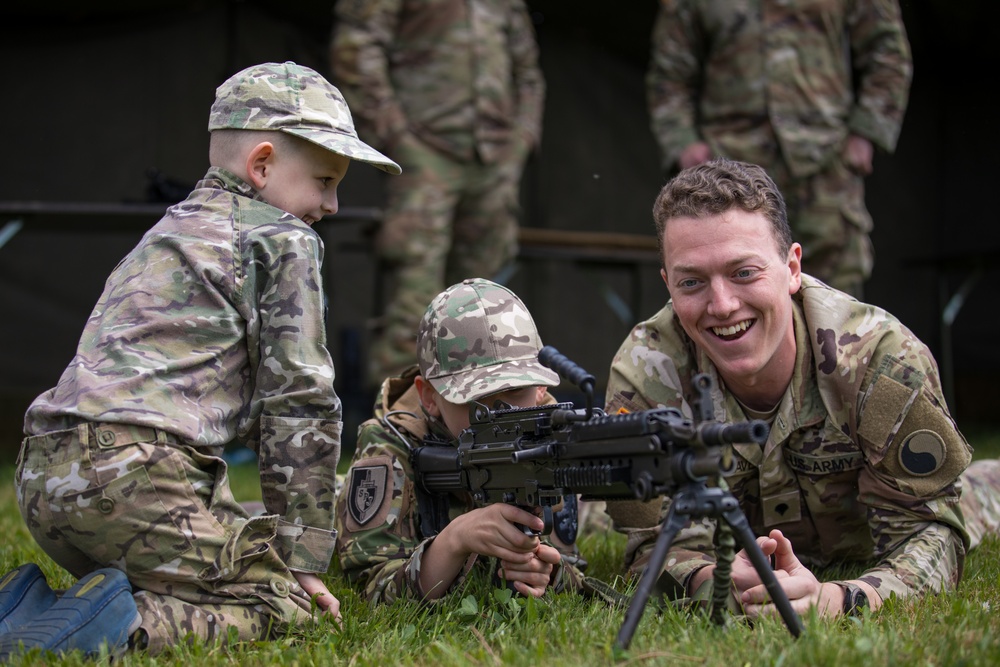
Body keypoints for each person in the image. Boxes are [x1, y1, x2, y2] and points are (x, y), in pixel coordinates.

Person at [0, 61, 401, 659]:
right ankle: (107, 632)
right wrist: (302, 560)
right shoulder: (283, 238)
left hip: (42, 475)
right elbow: (300, 405)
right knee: (279, 602)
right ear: (261, 166)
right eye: (324, 180)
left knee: (229, 543)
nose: (332, 204)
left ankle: (35, 611)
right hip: (134, 475)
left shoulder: (172, 229)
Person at [604, 158, 1000, 620]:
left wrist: (840, 599)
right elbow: (653, 542)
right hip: (739, 535)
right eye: (692, 282)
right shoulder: (647, 372)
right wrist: (711, 580)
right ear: (668, 285)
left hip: (865, 526)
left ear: (792, 268)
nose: (722, 304)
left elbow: (929, 532)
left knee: (973, 498)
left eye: (744, 273)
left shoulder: (879, 361)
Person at [334, 278, 590, 604]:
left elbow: (569, 564)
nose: (501, 412)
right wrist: (454, 541)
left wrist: (548, 572)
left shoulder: (550, 436)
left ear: (541, 388)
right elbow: (373, 587)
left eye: (515, 390)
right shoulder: (389, 446)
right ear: (429, 396)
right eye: (478, 397)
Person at [330, 0, 545, 383]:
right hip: (424, 153)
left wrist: (522, 140)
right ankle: (400, 427)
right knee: (415, 302)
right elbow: (356, 48)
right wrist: (395, 135)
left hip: (494, 158)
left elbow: (528, 72)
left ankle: (476, 418)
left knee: (485, 309)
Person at [645, 0, 913, 299]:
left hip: (824, 164)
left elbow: (887, 52)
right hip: (726, 173)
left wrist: (866, 132)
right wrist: (684, 144)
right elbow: (669, 74)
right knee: (725, 290)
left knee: (836, 291)